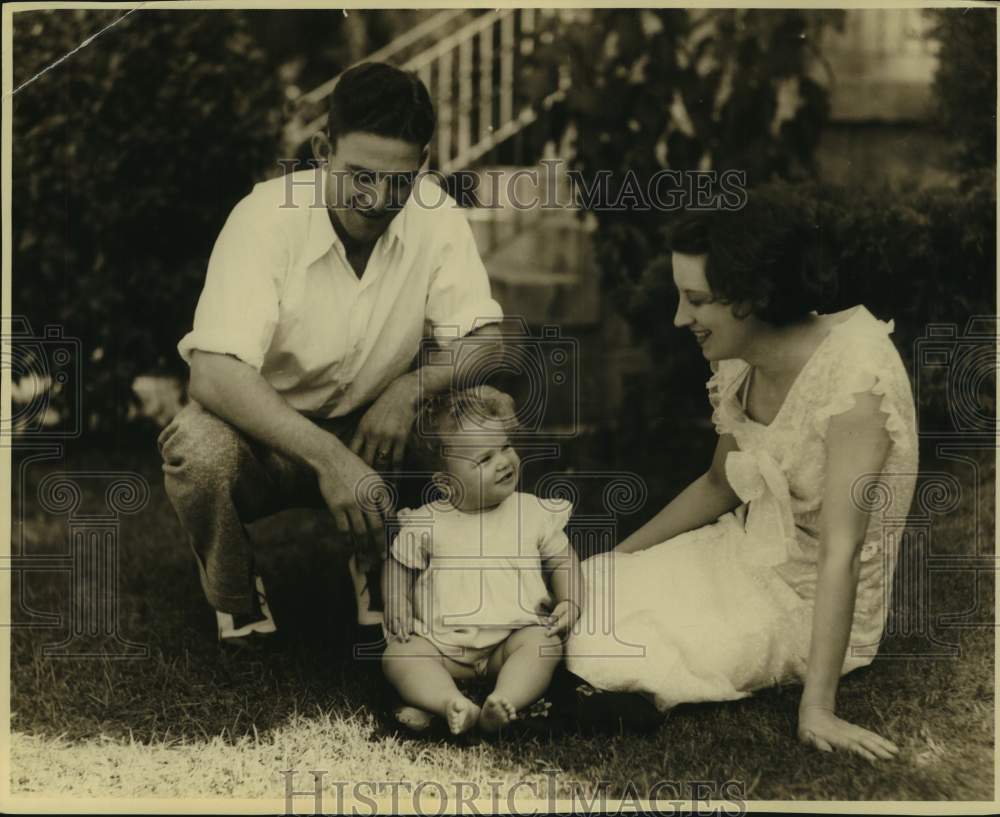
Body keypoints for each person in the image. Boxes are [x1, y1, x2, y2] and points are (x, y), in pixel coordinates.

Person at [158, 62, 504, 645]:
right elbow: (213, 374)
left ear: (421, 163)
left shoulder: (436, 215)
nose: (375, 198)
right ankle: (235, 593)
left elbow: (490, 343)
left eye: (398, 180)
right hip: (266, 441)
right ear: (323, 150)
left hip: (378, 432)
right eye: (359, 174)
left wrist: (408, 390)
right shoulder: (265, 217)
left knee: (483, 413)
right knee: (197, 451)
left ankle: (388, 561)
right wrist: (330, 459)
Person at [567, 188, 918, 761]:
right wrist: (615, 563)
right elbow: (719, 484)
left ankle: (574, 697)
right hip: (744, 555)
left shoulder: (857, 378)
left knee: (626, 649)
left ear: (751, 297)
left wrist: (817, 709)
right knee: (591, 592)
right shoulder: (740, 361)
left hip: (811, 600)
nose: (681, 318)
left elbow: (842, 551)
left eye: (696, 300)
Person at [381, 387, 583, 735]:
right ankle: (449, 701)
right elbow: (399, 564)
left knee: (543, 644)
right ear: (445, 484)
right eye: (484, 459)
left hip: (510, 640)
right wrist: (396, 598)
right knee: (400, 656)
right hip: (443, 646)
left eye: (505, 446)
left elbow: (563, 559)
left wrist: (571, 600)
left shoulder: (531, 511)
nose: (504, 461)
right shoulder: (428, 522)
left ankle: (504, 700)